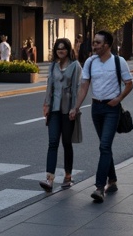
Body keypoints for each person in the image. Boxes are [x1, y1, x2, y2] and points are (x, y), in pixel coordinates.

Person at [71, 29, 133, 203]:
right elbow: (84, 86)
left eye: (98, 43)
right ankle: (112, 180)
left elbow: (129, 84)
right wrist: (75, 107)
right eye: (94, 42)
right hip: (96, 108)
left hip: (112, 108)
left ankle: (100, 187)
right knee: (104, 146)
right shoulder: (90, 62)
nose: (94, 46)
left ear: (107, 45)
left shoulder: (118, 61)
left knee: (104, 146)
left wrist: (118, 99)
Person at [39, 37, 81, 193]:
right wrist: (46, 105)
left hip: (68, 109)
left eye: (63, 48)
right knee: (53, 142)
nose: (60, 51)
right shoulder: (53, 66)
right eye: (58, 48)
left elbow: (77, 88)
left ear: (69, 50)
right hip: (54, 110)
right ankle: (49, 178)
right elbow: (49, 87)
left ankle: (68, 176)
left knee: (67, 143)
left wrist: (75, 108)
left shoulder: (75, 66)